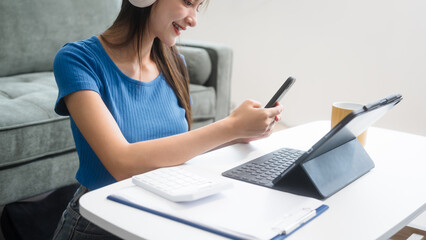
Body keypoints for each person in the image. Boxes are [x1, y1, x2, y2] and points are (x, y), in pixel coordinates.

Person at [52, 0, 283, 239]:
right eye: (188, 2)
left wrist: (237, 133)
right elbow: (121, 163)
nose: (193, 19)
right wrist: (229, 126)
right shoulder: (77, 60)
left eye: (197, 8)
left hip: (159, 215)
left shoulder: (174, 64)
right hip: (98, 224)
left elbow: (175, 148)